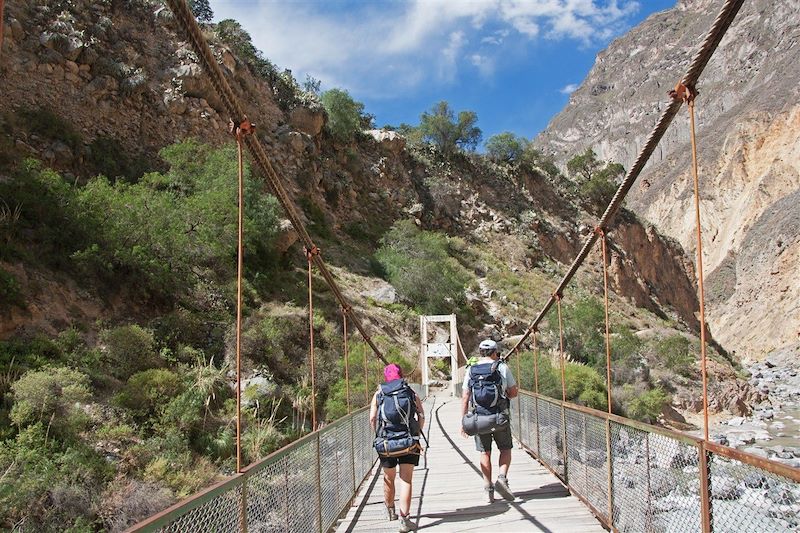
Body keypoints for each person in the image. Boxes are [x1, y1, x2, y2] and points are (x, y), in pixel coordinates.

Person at [460, 339, 518, 503]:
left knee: (485, 452)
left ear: (480, 353)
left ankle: (488, 489)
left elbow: (465, 397)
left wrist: (463, 422)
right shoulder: (502, 367)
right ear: (495, 352)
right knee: (505, 448)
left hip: (479, 419)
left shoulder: (471, 369)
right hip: (500, 417)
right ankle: (502, 478)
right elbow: (513, 393)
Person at [370, 364, 425, 532]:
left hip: (386, 443)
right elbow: (421, 416)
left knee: (389, 477)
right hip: (408, 442)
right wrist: (417, 433)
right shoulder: (409, 392)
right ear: (401, 375)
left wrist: (379, 435)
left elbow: (372, 418)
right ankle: (404, 519)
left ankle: (390, 510)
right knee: (406, 480)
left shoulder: (379, 394)